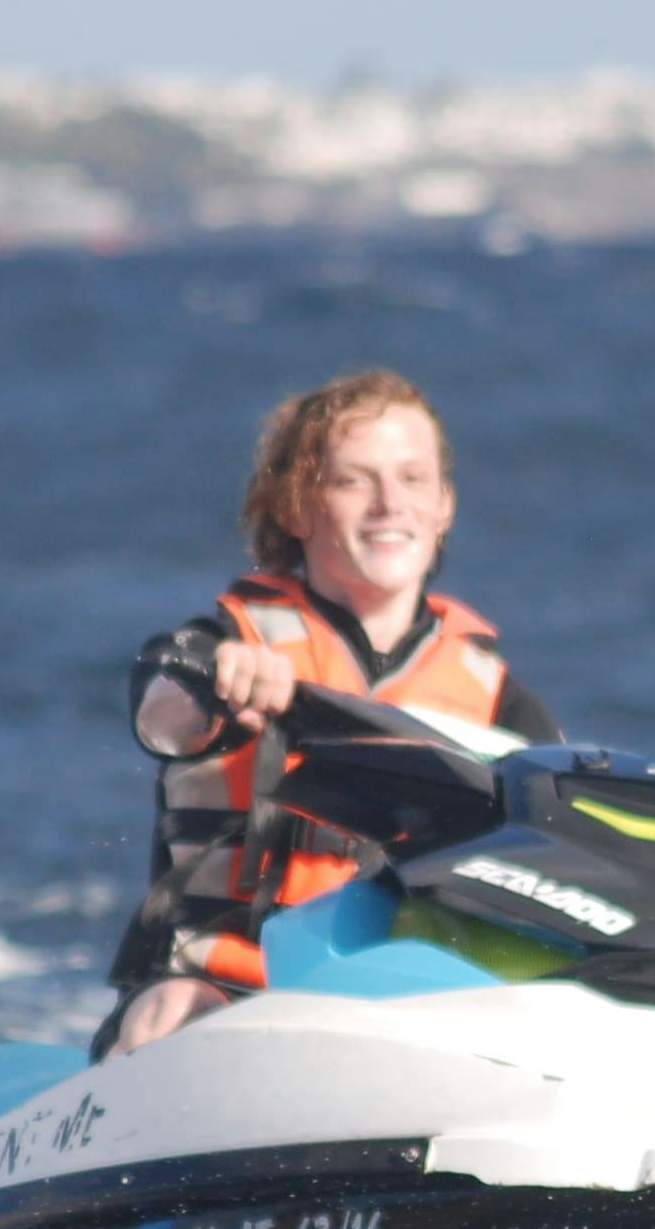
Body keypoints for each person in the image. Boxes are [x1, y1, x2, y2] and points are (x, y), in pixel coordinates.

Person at [100, 370, 560, 1055]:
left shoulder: (496, 698)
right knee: (174, 1014)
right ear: (295, 507)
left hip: (404, 1007)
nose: (388, 505)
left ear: (444, 507)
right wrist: (221, 682)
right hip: (229, 994)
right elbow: (163, 708)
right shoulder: (227, 645)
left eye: (412, 479)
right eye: (353, 481)